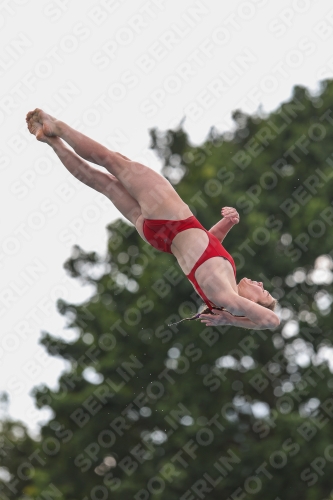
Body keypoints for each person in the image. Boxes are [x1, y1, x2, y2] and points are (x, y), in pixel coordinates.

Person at [26, 108, 279, 330]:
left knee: (112, 161)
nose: (259, 283)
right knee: (104, 184)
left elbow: (272, 322)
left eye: (262, 291)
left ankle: (55, 126)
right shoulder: (222, 286)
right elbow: (206, 245)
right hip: (159, 237)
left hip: (173, 218)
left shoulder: (227, 299)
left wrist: (233, 320)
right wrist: (228, 223)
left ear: (253, 304)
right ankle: (53, 143)